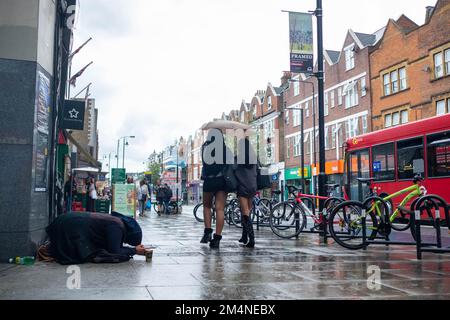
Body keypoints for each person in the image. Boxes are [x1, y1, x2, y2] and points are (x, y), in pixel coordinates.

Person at [44, 211, 147, 264]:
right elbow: (114, 251)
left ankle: (49, 249)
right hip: (70, 225)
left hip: (69, 221)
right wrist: (134, 250)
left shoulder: (117, 222)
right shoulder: (117, 227)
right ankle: (45, 251)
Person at [200, 129, 231, 249]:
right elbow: (230, 164)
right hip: (222, 181)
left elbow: (204, 164)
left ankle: (207, 231)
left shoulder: (205, 149)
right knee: (220, 209)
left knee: (207, 206)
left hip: (209, 180)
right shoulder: (225, 150)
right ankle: (217, 238)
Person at [235, 136, 258, 248]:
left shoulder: (238, 158)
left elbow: (232, 169)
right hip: (252, 186)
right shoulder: (254, 158)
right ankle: (244, 236)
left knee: (245, 212)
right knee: (247, 211)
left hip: (242, 186)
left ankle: (251, 239)